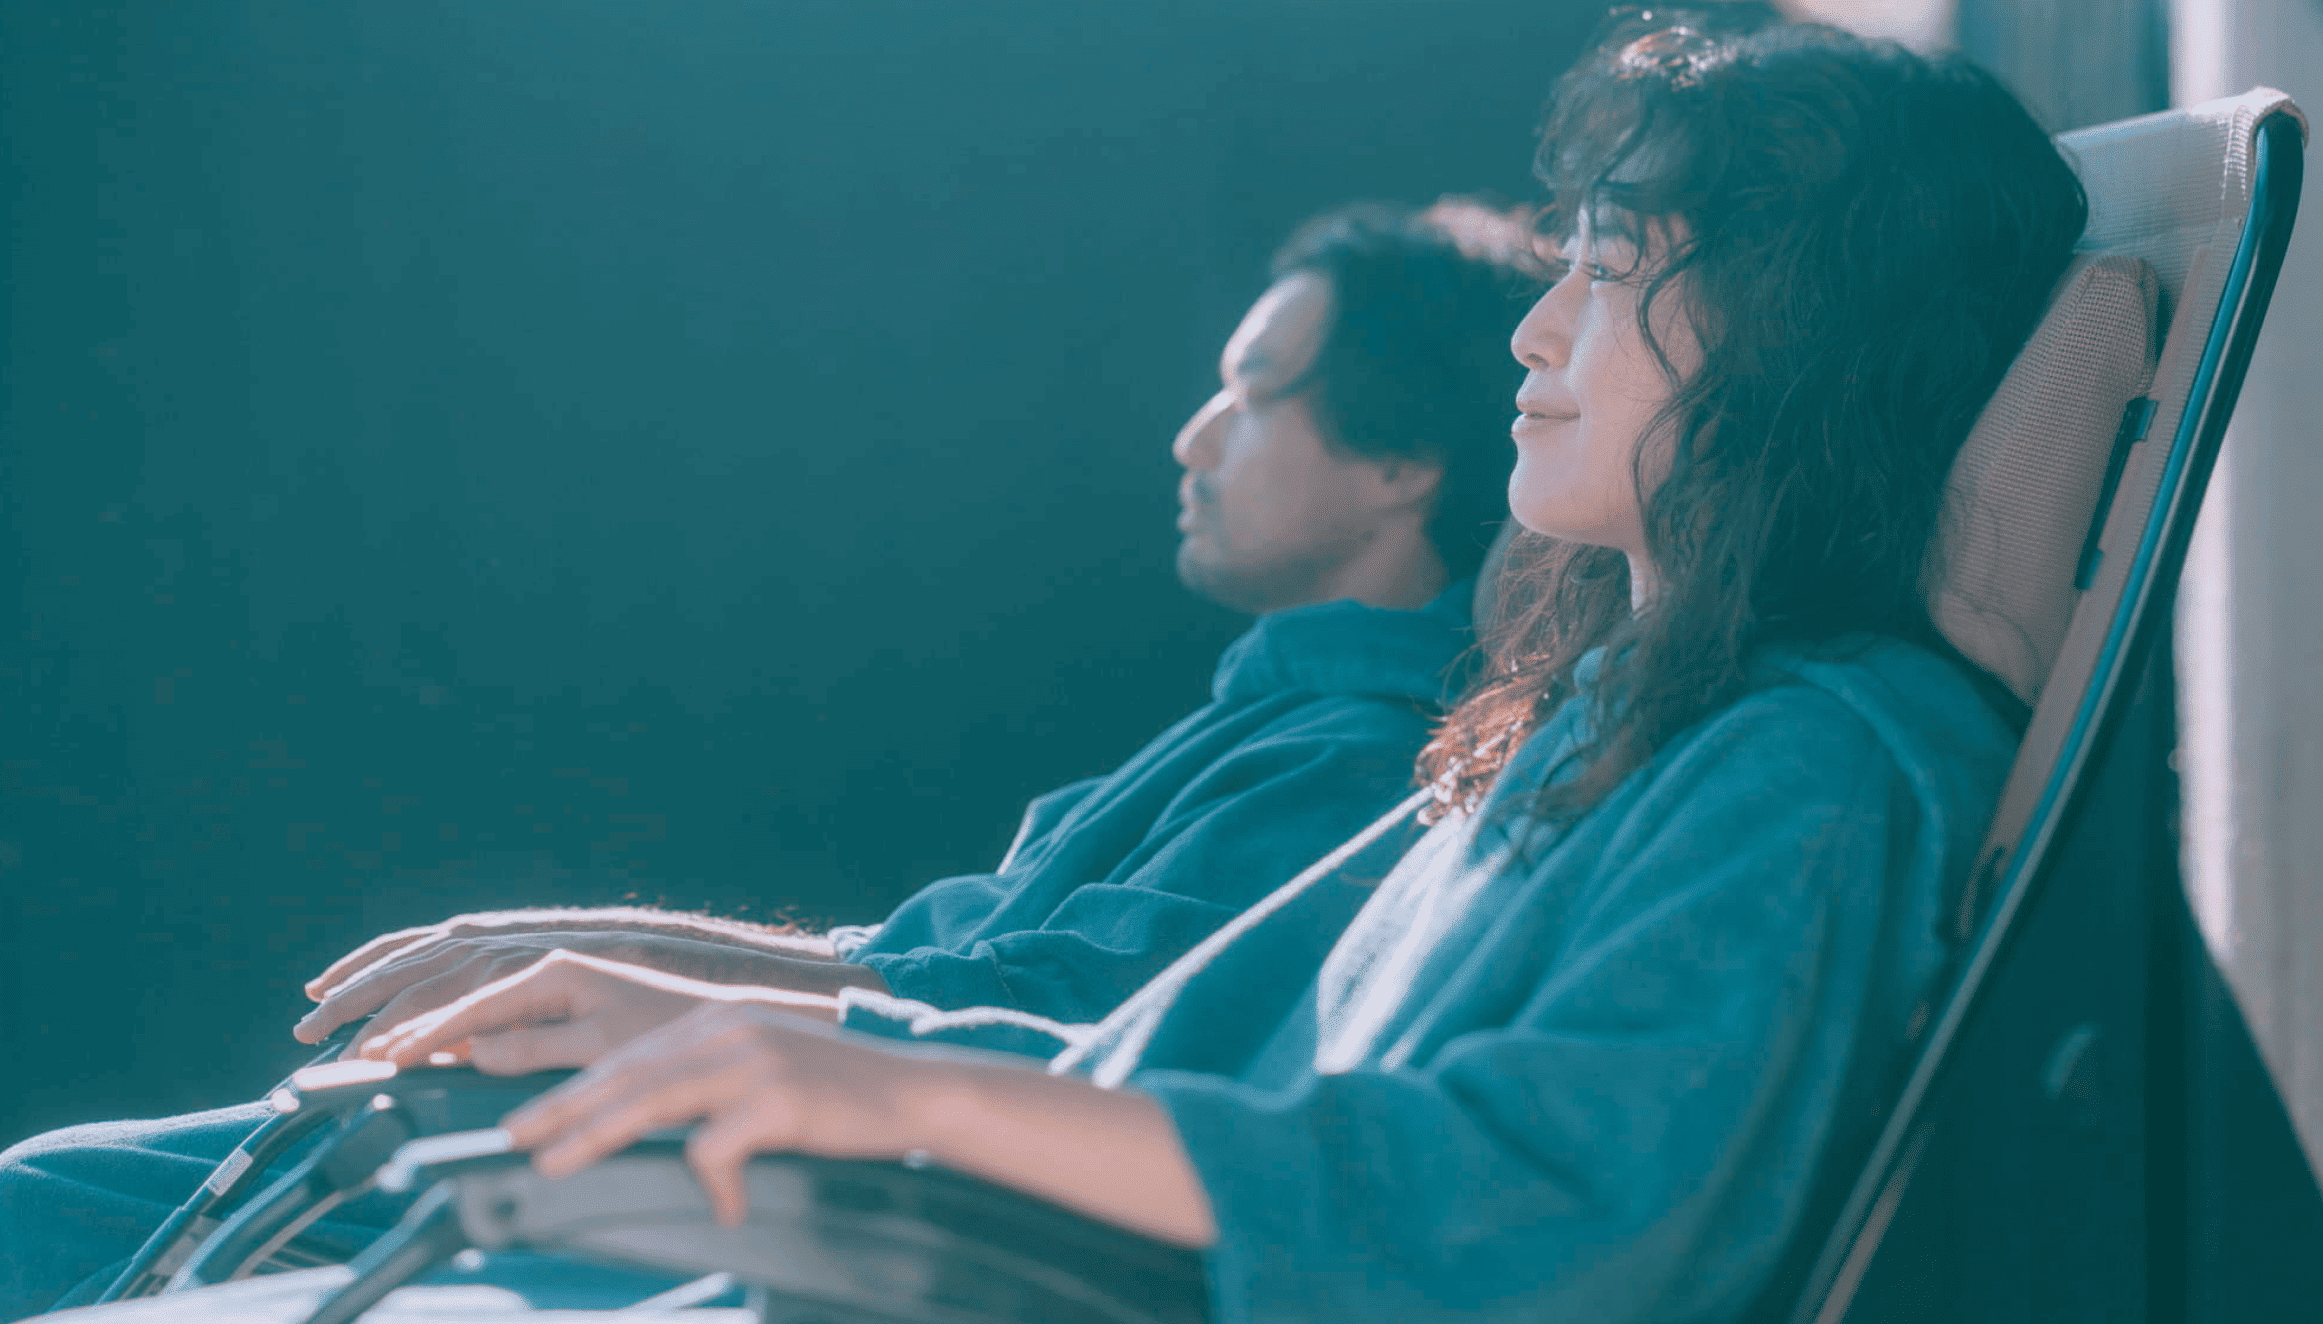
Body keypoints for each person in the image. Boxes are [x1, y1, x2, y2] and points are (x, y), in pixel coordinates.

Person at [306, 17, 2085, 1323]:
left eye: (1611, 273)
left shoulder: (1812, 763)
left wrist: (894, 1084)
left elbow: (1539, 1201)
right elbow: (1185, 1053)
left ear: (1798, 334)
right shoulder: (1593, 717)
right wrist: (770, 1028)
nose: (1539, 330)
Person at [0, 202, 1543, 1320]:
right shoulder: (1270, 720)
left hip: (834, 1202)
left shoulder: (1360, 761)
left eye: (1254, 390)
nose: (1194, 437)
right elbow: (955, 965)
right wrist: (607, 947)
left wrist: (655, 978)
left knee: (47, 1209)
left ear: (1403, 461)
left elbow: (1063, 1023)